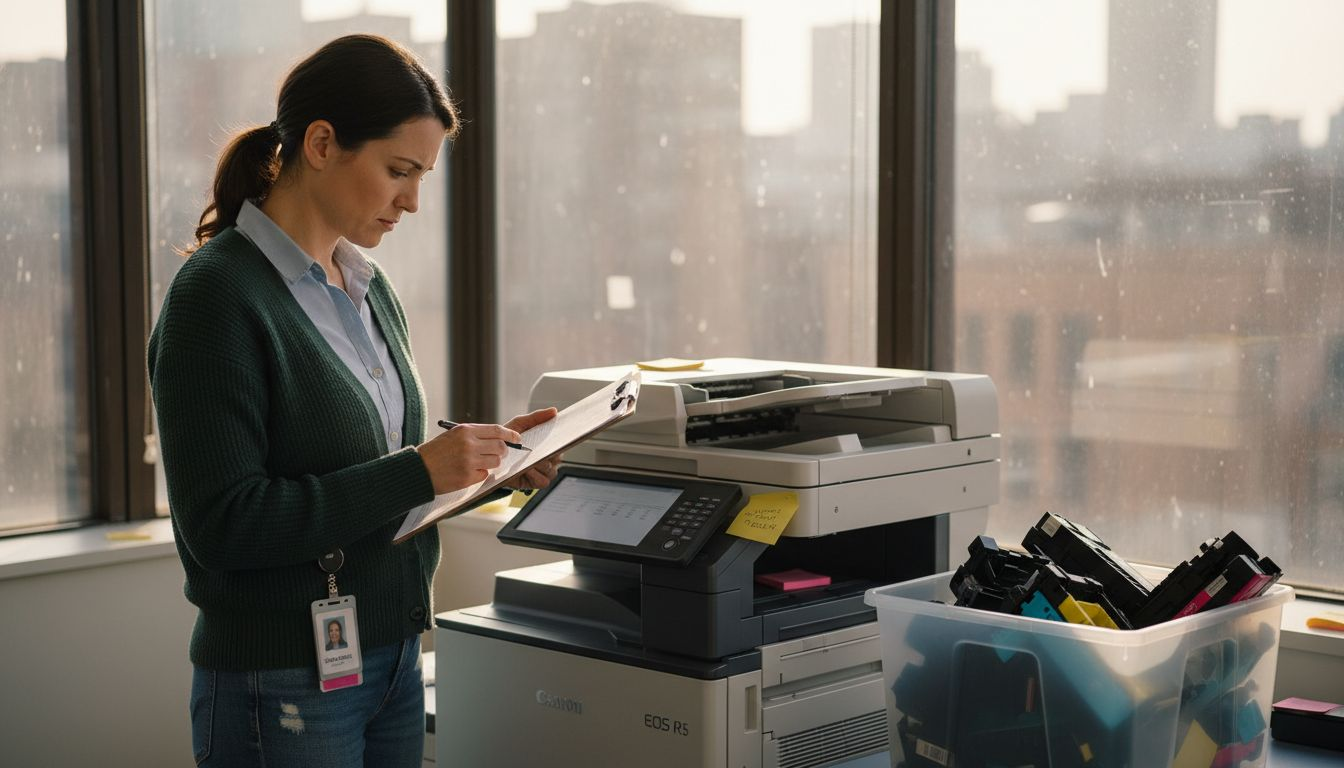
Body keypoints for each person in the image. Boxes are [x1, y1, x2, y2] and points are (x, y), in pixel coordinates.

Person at [148, 34, 560, 768]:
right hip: (281, 679)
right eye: (399, 171)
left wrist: (480, 468)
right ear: (321, 143)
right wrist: (419, 470)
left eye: (423, 176)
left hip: (392, 659)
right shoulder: (216, 297)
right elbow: (223, 525)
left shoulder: (367, 287)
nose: (412, 200)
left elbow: (371, 493)